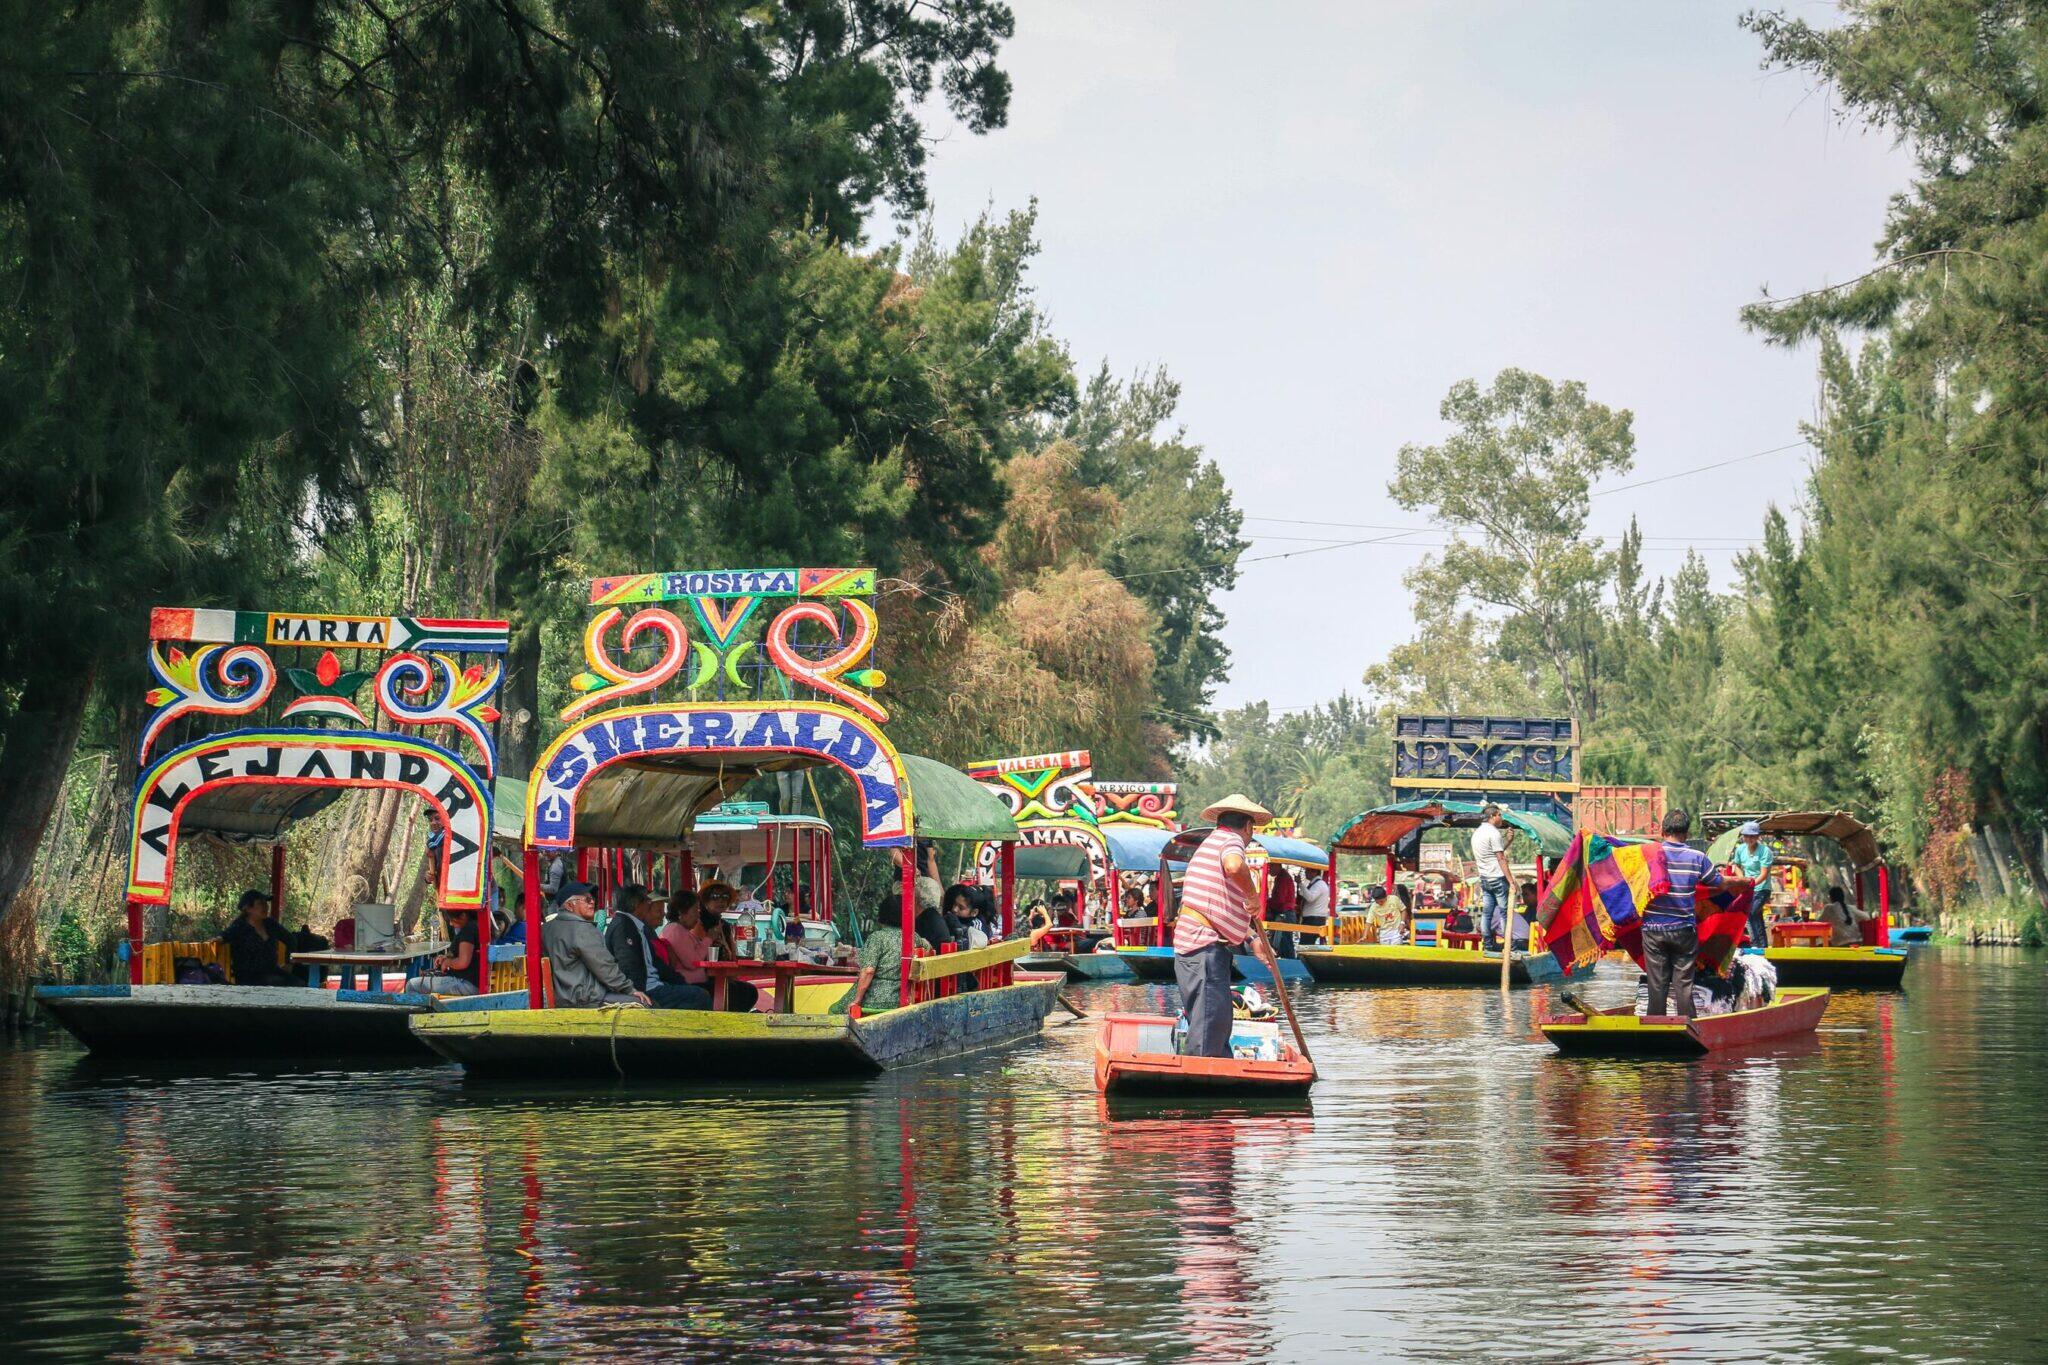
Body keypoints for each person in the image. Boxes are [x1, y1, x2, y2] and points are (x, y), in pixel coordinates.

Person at [1174, 794, 1283, 1058]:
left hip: (1200, 946)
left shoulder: (1212, 842)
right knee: (1210, 1026)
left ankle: (1216, 1075)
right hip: (1203, 948)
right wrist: (1253, 895)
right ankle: (1201, 1084)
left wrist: (1250, 938)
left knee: (1216, 1021)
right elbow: (1235, 866)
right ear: (1248, 827)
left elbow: (1215, 907)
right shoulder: (1230, 840)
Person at [1643, 810, 1722, 1019]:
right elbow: (1717, 883)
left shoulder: (1648, 855)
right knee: (1684, 984)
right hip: (1684, 930)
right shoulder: (1698, 858)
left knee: (1657, 984)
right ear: (1686, 834)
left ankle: (1654, 1029)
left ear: (1662, 831)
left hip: (1653, 930)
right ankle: (1688, 1028)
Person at [541, 881, 649, 1008]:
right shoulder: (582, 929)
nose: (592, 902)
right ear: (570, 906)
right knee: (645, 1004)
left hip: (562, 998)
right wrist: (630, 989)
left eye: (592, 899)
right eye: (587, 900)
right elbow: (604, 966)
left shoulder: (545, 929)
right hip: (585, 999)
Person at [604, 884, 712, 1010]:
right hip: (646, 990)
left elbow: (657, 963)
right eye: (647, 901)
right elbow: (627, 964)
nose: (649, 905)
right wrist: (633, 993)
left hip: (655, 985)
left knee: (696, 993)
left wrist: (681, 982)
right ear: (636, 904)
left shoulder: (637, 927)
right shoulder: (623, 927)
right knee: (699, 996)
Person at [831, 896, 932, 1015]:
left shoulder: (877, 938)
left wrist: (856, 1001)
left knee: (834, 1010)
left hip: (875, 999)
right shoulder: (913, 937)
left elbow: (868, 971)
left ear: (882, 915)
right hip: (901, 998)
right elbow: (928, 947)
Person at [691, 883, 760, 1011]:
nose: (721, 900)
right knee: (740, 992)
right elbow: (695, 955)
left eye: (725, 896)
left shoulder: (725, 926)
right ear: (705, 899)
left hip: (723, 977)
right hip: (702, 978)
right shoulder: (698, 924)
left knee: (749, 991)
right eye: (715, 896)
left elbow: (733, 956)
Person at [220, 889, 301, 987]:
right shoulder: (239, 927)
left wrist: (289, 962)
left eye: (266, 903)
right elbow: (224, 936)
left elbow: (290, 940)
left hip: (272, 972)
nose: (266, 907)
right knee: (283, 984)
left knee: (299, 983)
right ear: (248, 908)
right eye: (260, 903)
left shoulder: (270, 924)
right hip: (249, 978)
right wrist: (218, 938)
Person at [404, 907, 484, 996]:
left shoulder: (469, 931)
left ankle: (427, 1010)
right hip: (475, 983)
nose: (451, 923)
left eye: (452, 919)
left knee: (412, 985)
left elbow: (463, 962)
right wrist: (446, 957)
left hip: (466, 984)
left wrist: (447, 962)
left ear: (463, 916)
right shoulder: (480, 926)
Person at [1728, 821, 1776, 949]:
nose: (1749, 839)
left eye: (1752, 836)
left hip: (1762, 889)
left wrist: (1751, 884)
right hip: (1748, 888)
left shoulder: (1765, 851)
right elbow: (1736, 865)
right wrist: (1742, 880)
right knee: (1754, 915)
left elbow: (1764, 874)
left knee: (1752, 912)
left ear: (1757, 837)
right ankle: (1762, 946)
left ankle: (1757, 944)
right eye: (1746, 836)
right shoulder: (1740, 849)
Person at [1472, 805, 1512, 951]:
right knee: (1504, 913)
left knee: (1487, 913)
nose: (1502, 818)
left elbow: (1493, 854)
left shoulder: (1477, 833)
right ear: (1493, 816)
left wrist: (1507, 841)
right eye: (1500, 815)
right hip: (1497, 877)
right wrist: (1511, 881)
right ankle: (1509, 945)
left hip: (1485, 878)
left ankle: (1487, 945)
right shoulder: (1493, 833)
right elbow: (1501, 859)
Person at [1265, 865, 1299, 960]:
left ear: (1277, 866)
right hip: (1286, 912)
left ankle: (1289, 962)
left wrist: (1267, 902)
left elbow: (1279, 899)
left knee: (1285, 941)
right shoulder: (1282, 877)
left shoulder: (1282, 878)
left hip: (1285, 913)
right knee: (1284, 941)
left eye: (1270, 867)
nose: (1269, 869)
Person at [1299, 867, 1332, 946]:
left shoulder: (1319, 884)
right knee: (1306, 943)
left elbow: (1310, 897)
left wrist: (1300, 884)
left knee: (1306, 944)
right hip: (1313, 918)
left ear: (1314, 872)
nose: (1305, 873)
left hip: (1314, 919)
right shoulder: (1317, 884)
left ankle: (1304, 958)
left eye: (1307, 871)